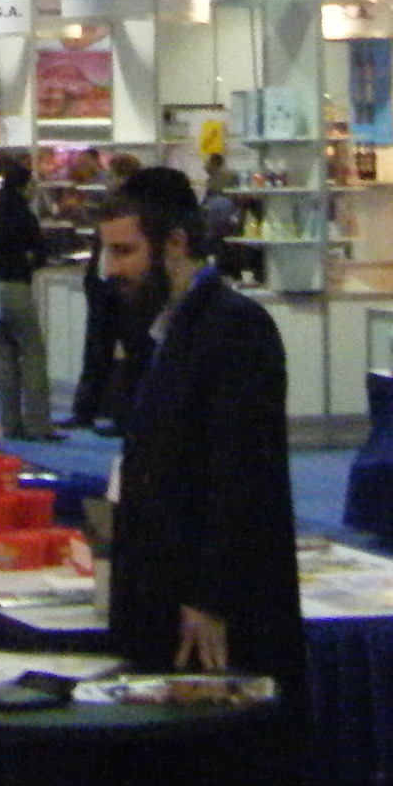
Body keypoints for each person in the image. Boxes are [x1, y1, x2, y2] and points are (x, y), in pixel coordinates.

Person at [95, 167, 301, 682]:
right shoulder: (155, 326)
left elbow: (242, 477)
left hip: (214, 608)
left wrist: (211, 598)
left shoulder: (237, 329)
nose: (111, 269)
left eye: (124, 251)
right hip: (157, 585)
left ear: (176, 243)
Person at [0, 154, 53, 440]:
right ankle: (38, 424)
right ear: (23, 188)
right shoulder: (24, 216)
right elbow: (40, 253)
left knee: (6, 358)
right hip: (18, 289)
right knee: (33, 355)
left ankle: (10, 425)